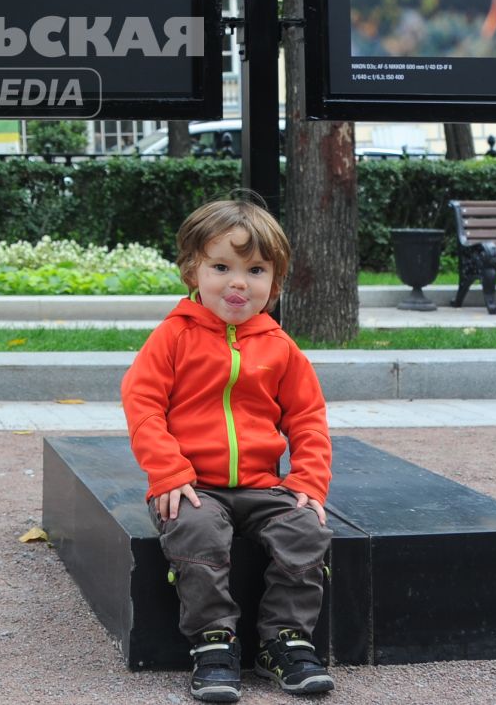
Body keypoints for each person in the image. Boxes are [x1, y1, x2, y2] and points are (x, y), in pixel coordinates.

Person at [121, 197, 335, 702]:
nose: (238, 282)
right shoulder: (173, 337)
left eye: (255, 270)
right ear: (194, 271)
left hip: (263, 485)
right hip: (194, 486)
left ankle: (284, 639)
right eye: (222, 267)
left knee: (306, 529)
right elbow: (143, 403)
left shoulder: (280, 346)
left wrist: (307, 480)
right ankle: (213, 642)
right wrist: (168, 472)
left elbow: (308, 417)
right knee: (195, 530)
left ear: (275, 284)